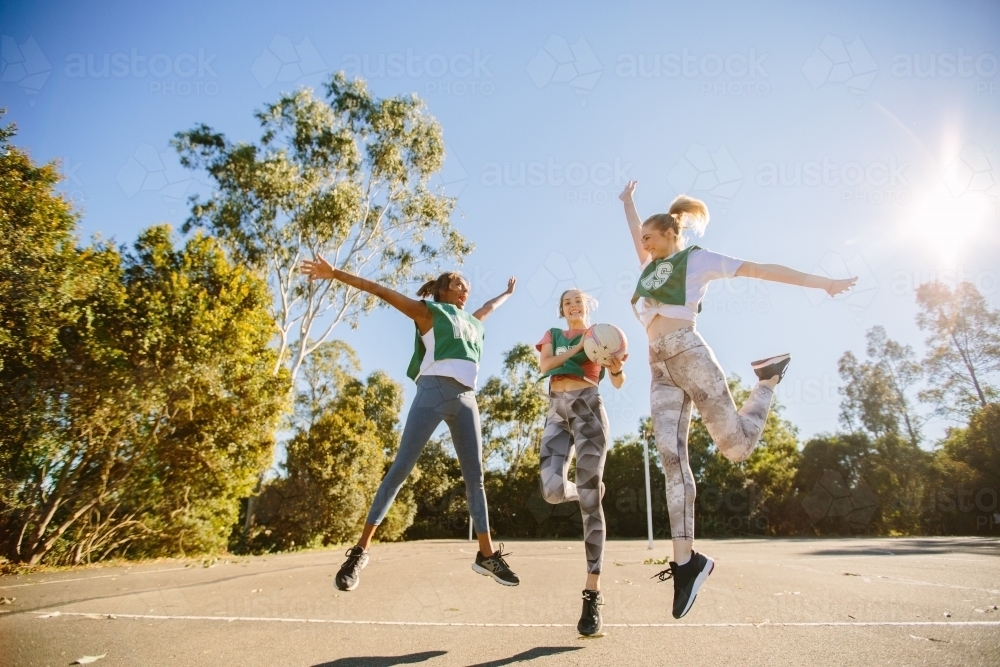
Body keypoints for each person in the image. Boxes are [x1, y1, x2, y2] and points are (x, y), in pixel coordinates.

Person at [618, 181, 857, 619]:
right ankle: (686, 562)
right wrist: (627, 203)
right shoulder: (648, 268)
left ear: (670, 234)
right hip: (658, 369)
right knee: (671, 459)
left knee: (736, 448)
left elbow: (760, 269)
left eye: (649, 238)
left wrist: (822, 283)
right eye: (642, 241)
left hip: (688, 353)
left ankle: (766, 381)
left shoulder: (697, 259)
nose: (643, 244)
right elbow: (636, 229)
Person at [300, 256, 520, 590]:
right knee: (400, 470)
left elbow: (490, 307)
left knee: (475, 479)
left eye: (468, 287)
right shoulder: (428, 313)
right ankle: (359, 552)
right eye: (459, 284)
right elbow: (379, 290)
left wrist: (507, 294)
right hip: (432, 393)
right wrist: (334, 274)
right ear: (442, 291)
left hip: (466, 401)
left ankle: (486, 555)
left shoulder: (473, 322)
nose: (465, 290)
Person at [536, 289, 627, 636]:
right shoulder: (554, 336)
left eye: (579, 301)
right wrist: (578, 349)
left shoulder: (605, 335)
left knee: (591, 503)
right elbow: (545, 365)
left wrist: (616, 369)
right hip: (556, 412)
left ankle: (592, 595)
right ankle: (586, 490)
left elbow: (617, 380)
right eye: (567, 302)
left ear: (588, 306)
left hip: (589, 409)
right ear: (562, 310)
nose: (574, 305)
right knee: (552, 491)